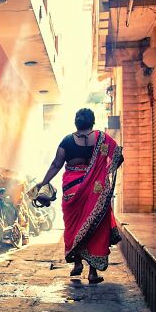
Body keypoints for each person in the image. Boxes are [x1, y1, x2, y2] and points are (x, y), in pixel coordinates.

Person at [35, 108, 124, 284]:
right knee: (95, 227)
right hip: (96, 190)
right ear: (92, 121)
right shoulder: (102, 138)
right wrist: (102, 171)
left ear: (76, 122)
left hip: (71, 190)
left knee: (74, 225)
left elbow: (56, 164)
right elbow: (118, 156)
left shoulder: (67, 140)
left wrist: (43, 182)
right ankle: (92, 273)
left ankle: (77, 263)